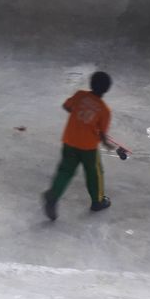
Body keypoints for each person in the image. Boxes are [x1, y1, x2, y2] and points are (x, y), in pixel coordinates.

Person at [43, 72, 118, 221]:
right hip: (88, 148)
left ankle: (53, 195)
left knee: (65, 171)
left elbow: (66, 106)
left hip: (70, 140)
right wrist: (108, 144)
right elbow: (102, 134)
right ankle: (97, 201)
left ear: (90, 83)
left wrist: (78, 113)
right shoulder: (104, 110)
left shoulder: (80, 95)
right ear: (107, 89)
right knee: (94, 174)